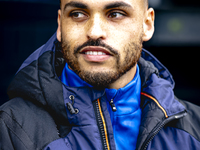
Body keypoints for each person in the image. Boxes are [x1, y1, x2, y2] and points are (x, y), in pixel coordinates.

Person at [0, 0, 200, 149]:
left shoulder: (195, 129)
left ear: (147, 25)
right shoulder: (10, 128)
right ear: (60, 25)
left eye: (116, 14)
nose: (94, 32)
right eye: (78, 14)